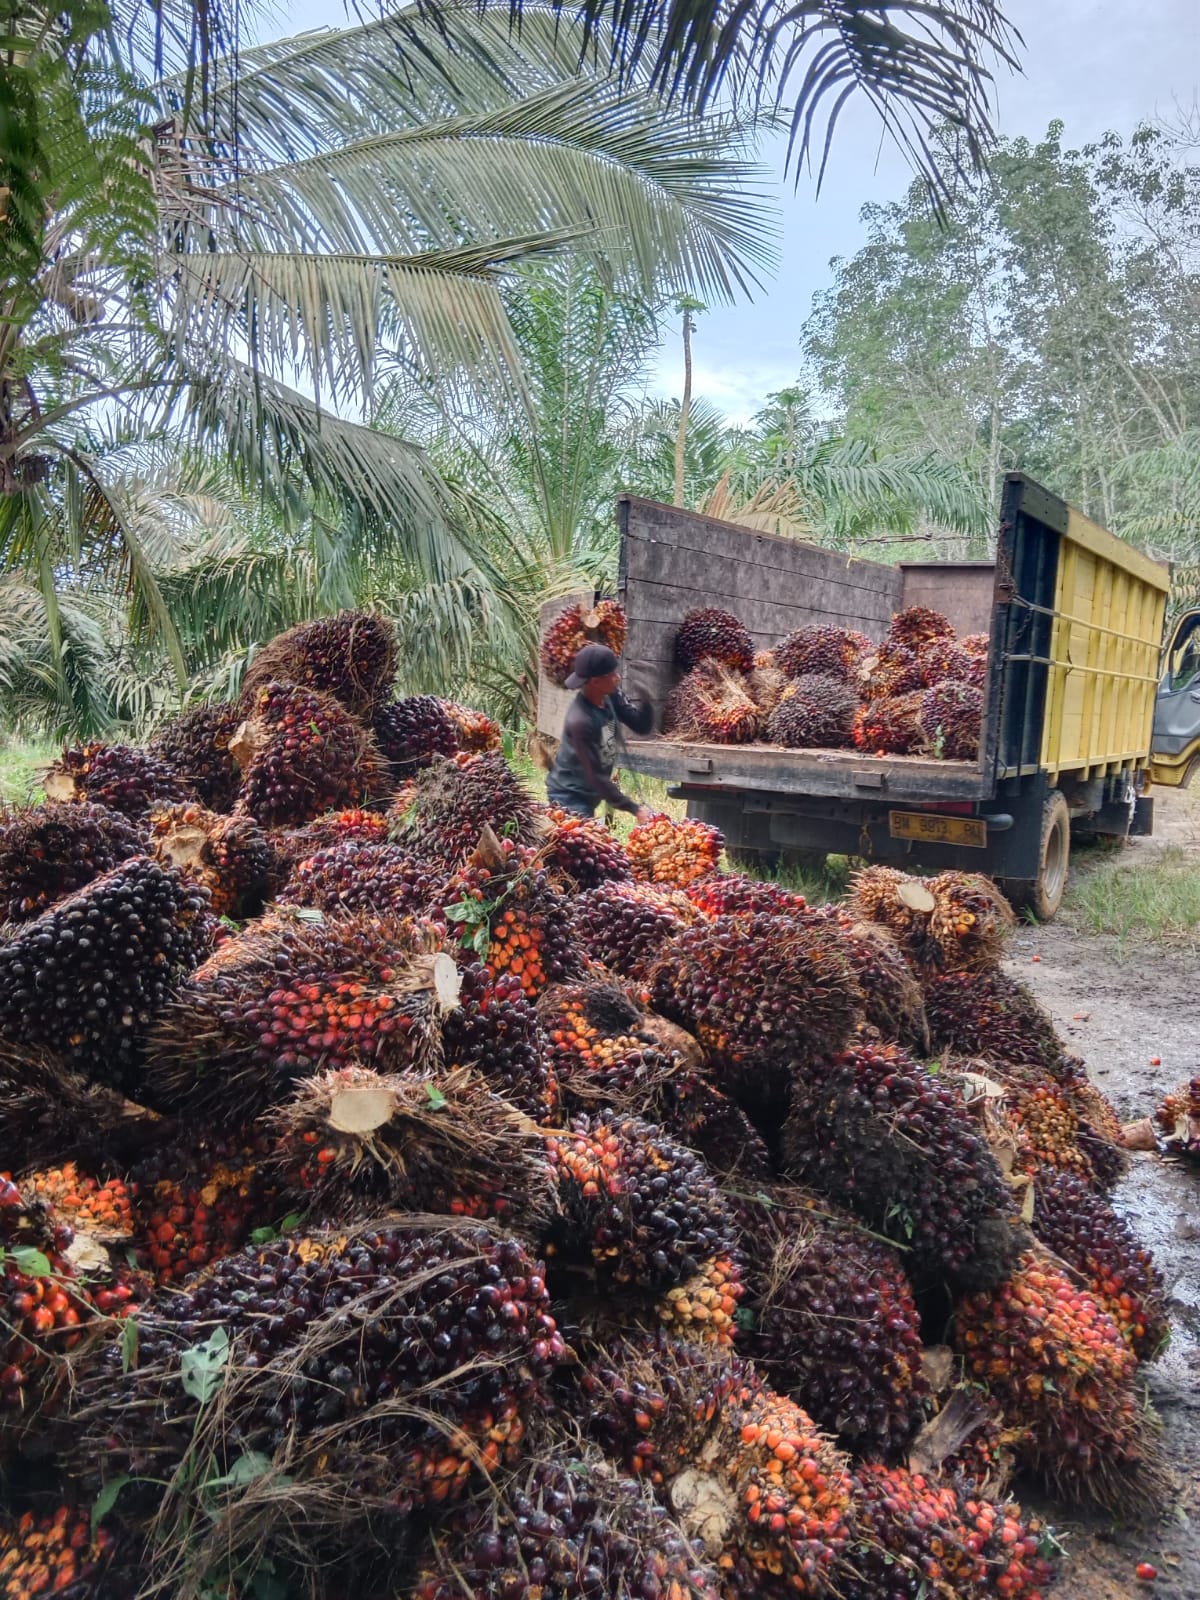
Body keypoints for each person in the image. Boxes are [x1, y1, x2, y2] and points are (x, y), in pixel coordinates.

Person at [546, 643, 655, 822]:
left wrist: (646, 700)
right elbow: (595, 776)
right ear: (596, 682)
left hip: (590, 793)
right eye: (612, 675)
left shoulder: (610, 696)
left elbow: (640, 726)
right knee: (580, 847)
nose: (618, 677)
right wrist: (634, 809)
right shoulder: (580, 721)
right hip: (569, 796)